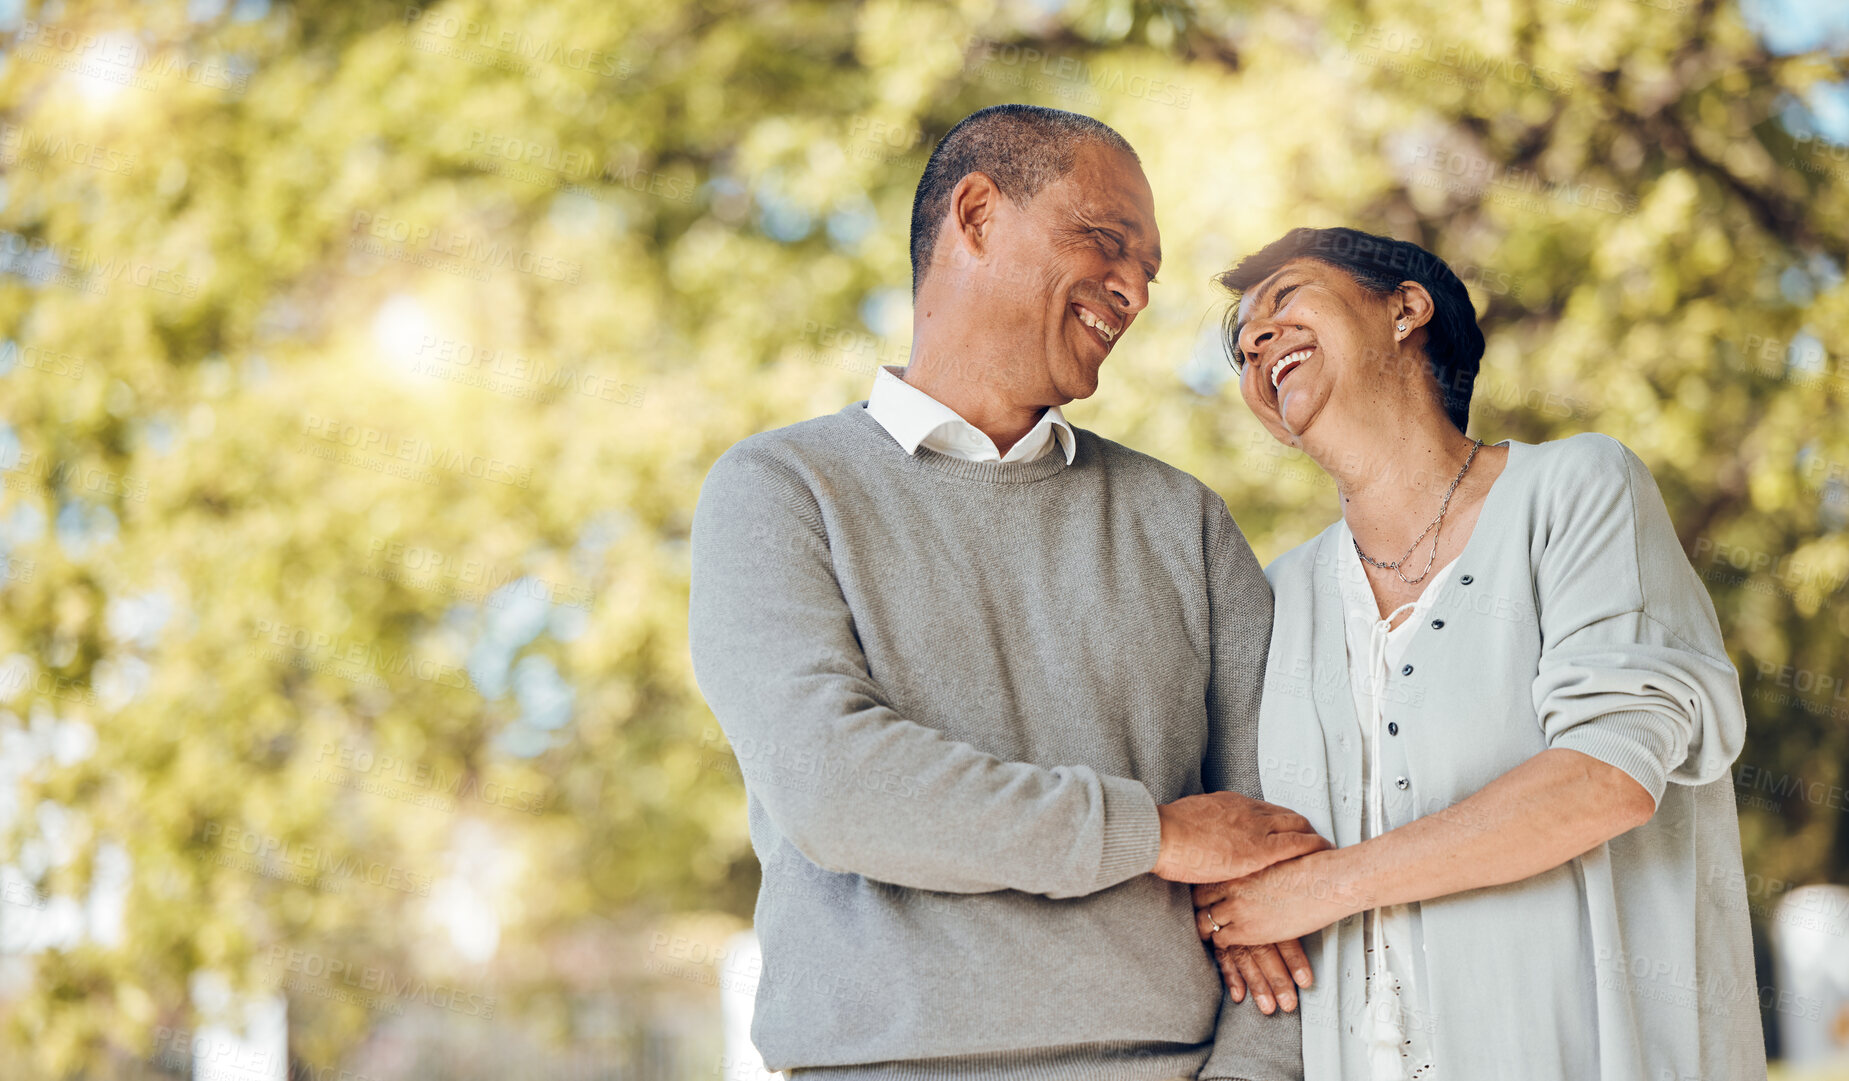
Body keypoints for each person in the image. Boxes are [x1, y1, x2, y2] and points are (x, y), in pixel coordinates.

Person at [688, 104, 1322, 1081]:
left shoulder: (1182, 519)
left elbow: (1275, 841)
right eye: (1105, 243)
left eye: (1147, 271)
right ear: (976, 215)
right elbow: (836, 786)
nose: (1132, 290)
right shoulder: (780, 491)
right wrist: (1150, 833)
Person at [1193, 226, 1765, 1080]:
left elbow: (1602, 779)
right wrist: (1228, 906)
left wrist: (1319, 888)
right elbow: (1239, 840)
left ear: (1405, 309)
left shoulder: (1575, 490)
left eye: (1284, 299)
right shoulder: (1276, 597)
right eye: (1240, 343)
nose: (1254, 340)